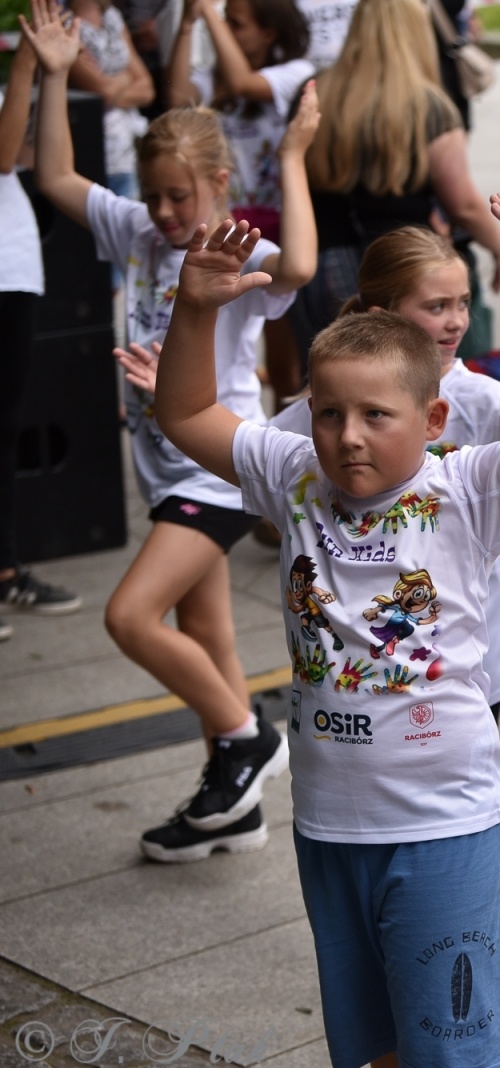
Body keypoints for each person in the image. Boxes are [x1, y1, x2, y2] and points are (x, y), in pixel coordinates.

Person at [153, 193, 500, 1067]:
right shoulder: (293, 471)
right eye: (330, 413)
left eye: (376, 416)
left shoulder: (469, 489)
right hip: (329, 827)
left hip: (446, 826)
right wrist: (194, 308)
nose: (348, 437)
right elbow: (184, 416)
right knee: (371, 1050)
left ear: (433, 420)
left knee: (454, 1054)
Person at [22, 0, 316, 861]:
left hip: (217, 467)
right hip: (165, 470)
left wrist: (292, 158)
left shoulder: (233, 247)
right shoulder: (144, 235)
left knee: (129, 617)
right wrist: (49, 71)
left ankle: (245, 740)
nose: (162, 209)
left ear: (219, 187)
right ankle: (231, 806)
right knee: (207, 635)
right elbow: (57, 180)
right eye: (152, 195)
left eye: (179, 195)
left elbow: (296, 265)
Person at [263, 225, 500, 1013]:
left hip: (465, 656)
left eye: (463, 303)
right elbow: (276, 461)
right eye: (437, 305)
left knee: (470, 802)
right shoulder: (321, 424)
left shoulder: (483, 401)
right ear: (382, 311)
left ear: (430, 420)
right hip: (350, 731)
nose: (457, 319)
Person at [295, 0, 500, 359]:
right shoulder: (428, 106)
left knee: (334, 378)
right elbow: (464, 203)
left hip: (323, 262)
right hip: (402, 269)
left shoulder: (315, 93)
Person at [168, 0, 315, 406]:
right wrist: (186, 26)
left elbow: (243, 81)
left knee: (284, 350)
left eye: (237, 24)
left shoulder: (295, 73)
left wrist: (209, 14)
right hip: (229, 222)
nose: (226, 30)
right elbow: (177, 98)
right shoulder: (213, 78)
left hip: (277, 225)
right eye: (225, 22)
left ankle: (286, 434)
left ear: (269, 32)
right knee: (232, 340)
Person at [0, 39, 81, 637]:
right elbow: (5, 155)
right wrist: (26, 66)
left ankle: (4, 572)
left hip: (12, 267)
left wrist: (44, 73)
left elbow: (27, 154)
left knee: (5, 426)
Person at [69, 0, 154, 203]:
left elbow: (148, 90)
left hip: (129, 149)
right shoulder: (66, 25)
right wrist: (126, 77)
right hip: (95, 150)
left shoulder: (112, 17)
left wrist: (110, 85)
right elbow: (102, 93)